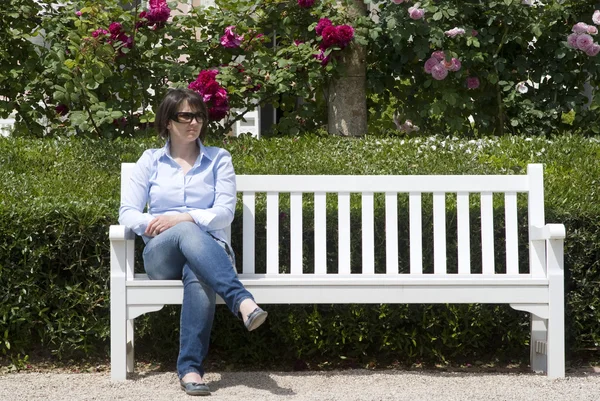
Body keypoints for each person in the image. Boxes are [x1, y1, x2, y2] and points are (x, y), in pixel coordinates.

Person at [119, 88, 267, 396]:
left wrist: (184, 217)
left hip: (209, 254)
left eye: (199, 116)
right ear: (168, 122)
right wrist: (160, 224)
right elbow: (127, 212)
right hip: (162, 252)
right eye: (185, 116)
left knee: (198, 271)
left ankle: (190, 370)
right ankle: (240, 300)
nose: (194, 123)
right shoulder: (150, 161)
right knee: (187, 230)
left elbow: (225, 212)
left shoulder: (219, 159)